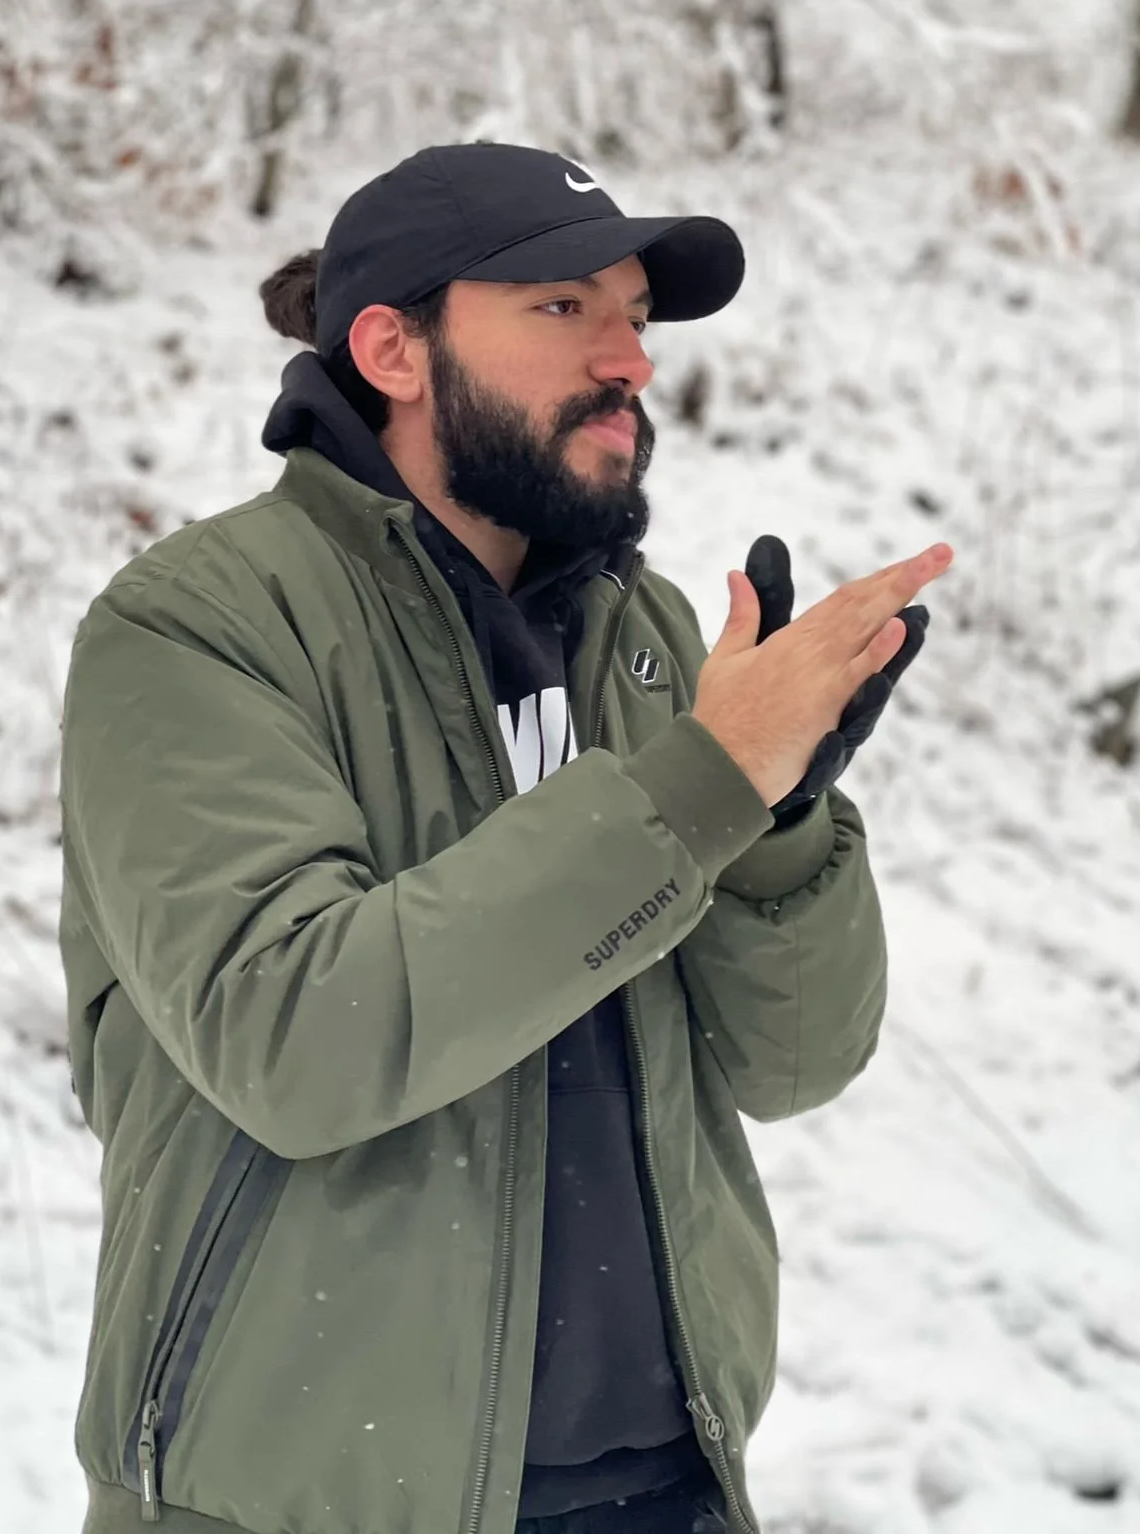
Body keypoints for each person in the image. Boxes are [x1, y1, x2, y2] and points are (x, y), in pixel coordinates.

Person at [58, 142, 952, 1534]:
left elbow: (793, 1064)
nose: (629, 362)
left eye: (637, 318)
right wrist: (704, 780)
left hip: (665, 1487)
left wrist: (774, 823)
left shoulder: (642, 638)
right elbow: (300, 1035)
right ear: (393, 350)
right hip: (308, 1500)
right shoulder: (202, 626)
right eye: (562, 309)